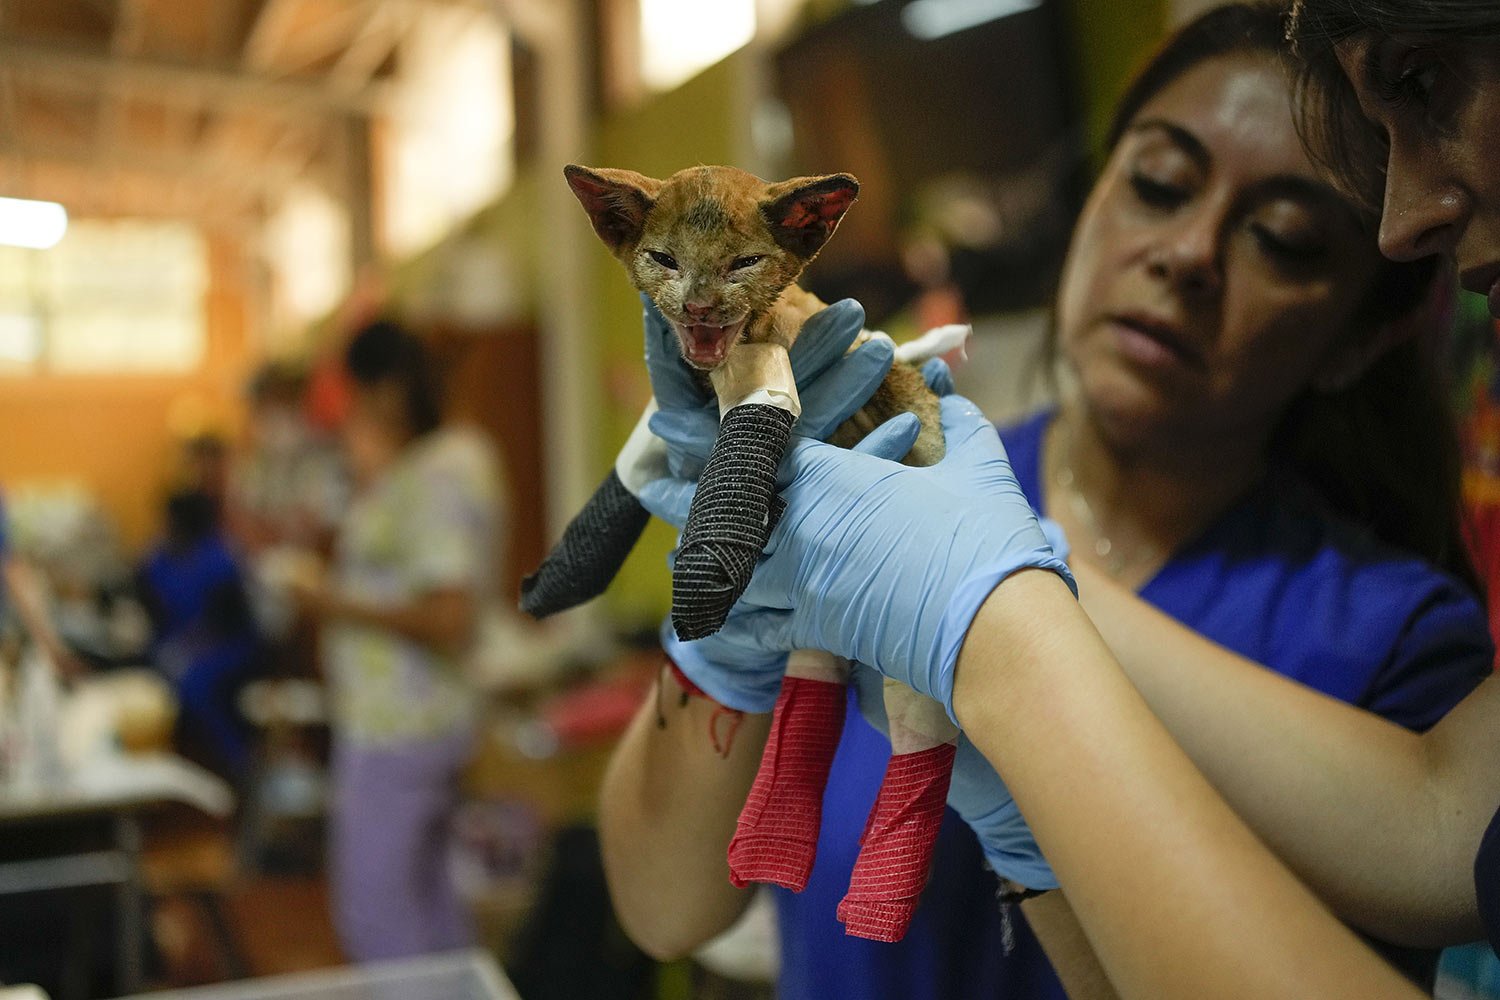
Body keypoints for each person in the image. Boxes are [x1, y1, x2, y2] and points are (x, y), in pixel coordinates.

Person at [596, 4, 1494, 996]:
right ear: (1089, 199)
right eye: (1157, 184)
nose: (1188, 254)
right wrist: (718, 643)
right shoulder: (878, 477)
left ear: (1358, 337)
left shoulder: (1392, 641)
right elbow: (661, 908)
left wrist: (1000, 595)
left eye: (1282, 238)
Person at [290, 318, 504, 962]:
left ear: (382, 390)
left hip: (400, 728)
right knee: (433, 910)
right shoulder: (447, 461)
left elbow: (449, 615)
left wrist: (334, 604)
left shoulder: (438, 473)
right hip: (422, 720)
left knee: (377, 916)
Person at [136, 487, 263, 779]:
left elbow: (231, 623)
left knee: (193, 683)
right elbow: (150, 604)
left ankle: (238, 761)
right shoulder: (160, 558)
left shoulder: (219, 559)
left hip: (230, 647)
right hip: (177, 644)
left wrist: (187, 648)